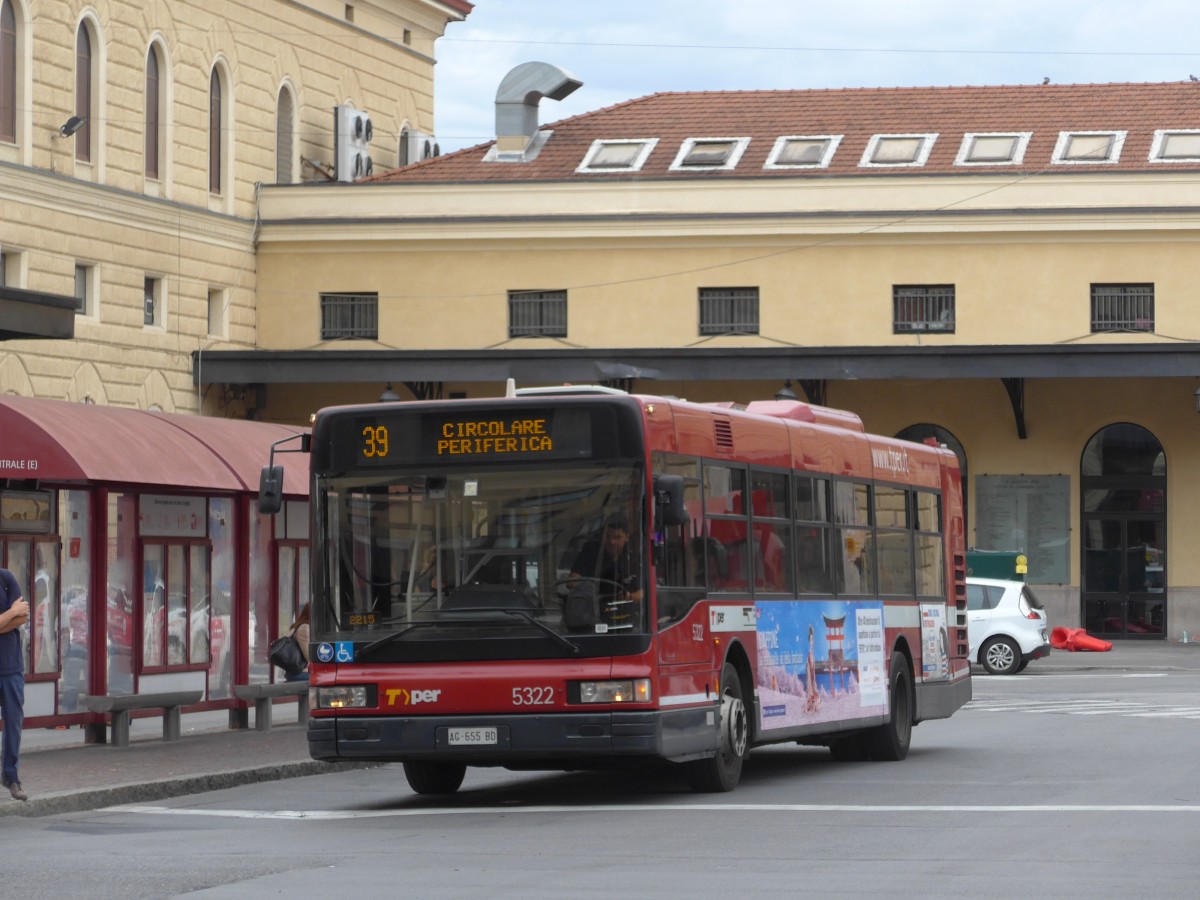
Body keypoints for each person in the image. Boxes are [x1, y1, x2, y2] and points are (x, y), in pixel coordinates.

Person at [567, 515, 642, 629]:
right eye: (607, 536)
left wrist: (629, 596)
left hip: (624, 617)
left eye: (617, 537)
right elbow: (572, 582)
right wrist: (590, 590)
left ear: (627, 537)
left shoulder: (634, 558)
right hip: (590, 616)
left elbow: (643, 593)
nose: (611, 541)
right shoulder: (590, 551)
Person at [0, 567, 29, 802]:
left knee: (14, 725)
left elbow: (23, 617)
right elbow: (16, 615)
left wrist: (11, 616)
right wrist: (11, 613)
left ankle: (11, 776)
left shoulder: (6, 578)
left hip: (12, 669)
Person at [284, 603, 310, 682]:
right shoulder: (304, 628)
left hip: (298, 671)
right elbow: (309, 656)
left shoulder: (303, 626)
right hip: (300, 672)